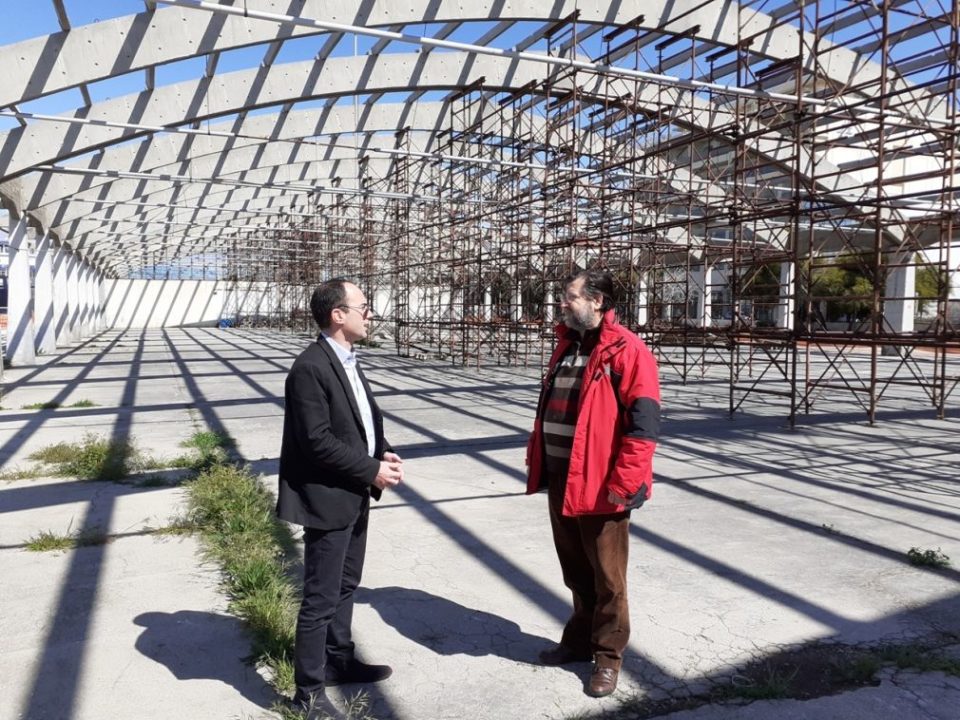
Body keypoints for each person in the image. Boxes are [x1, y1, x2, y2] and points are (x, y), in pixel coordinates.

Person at [526, 269, 660, 698]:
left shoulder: (627, 350)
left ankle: (607, 657)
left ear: (597, 301)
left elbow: (643, 425)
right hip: (562, 477)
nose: (562, 303)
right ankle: (579, 640)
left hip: (602, 484)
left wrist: (626, 481)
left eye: (570, 296)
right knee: (575, 570)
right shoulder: (567, 345)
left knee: (608, 579)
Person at [277, 278, 404, 720]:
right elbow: (316, 441)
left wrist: (382, 451)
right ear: (338, 315)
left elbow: (358, 421)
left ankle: (339, 660)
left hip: (353, 493)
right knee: (320, 597)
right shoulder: (309, 368)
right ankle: (308, 693)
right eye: (363, 307)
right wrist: (371, 470)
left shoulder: (347, 360)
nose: (369, 314)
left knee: (346, 585)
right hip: (328, 497)